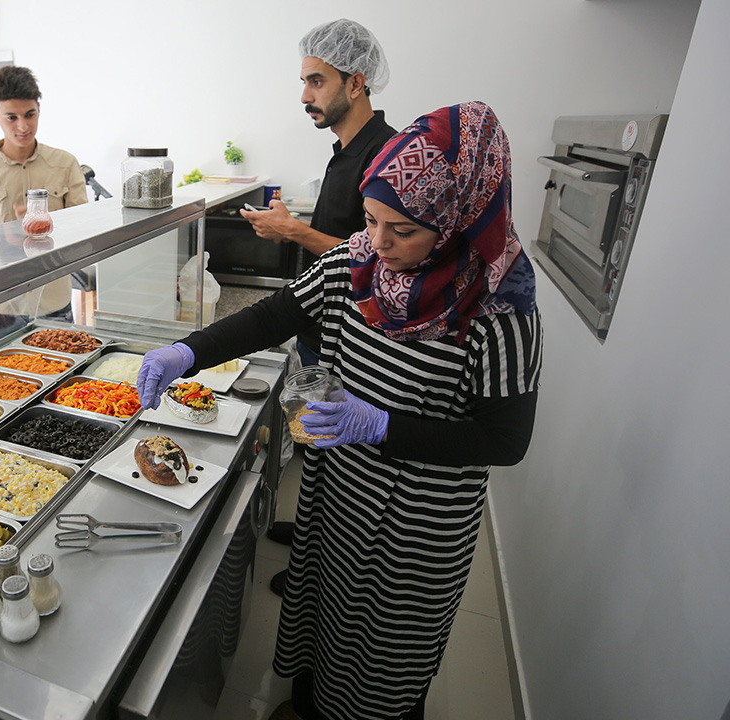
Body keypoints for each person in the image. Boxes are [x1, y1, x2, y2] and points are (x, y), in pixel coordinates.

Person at [137, 102, 541, 720]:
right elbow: (275, 315)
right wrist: (187, 350)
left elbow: (504, 440)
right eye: (372, 220)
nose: (378, 244)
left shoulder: (500, 303)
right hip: (340, 491)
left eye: (401, 230)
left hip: (416, 526)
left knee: (382, 656)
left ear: (457, 216)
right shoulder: (357, 263)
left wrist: (382, 424)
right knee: (324, 619)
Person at [246, 18, 400, 594]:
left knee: (338, 453)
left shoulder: (383, 154)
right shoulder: (344, 150)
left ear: (355, 83)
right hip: (320, 326)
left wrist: (295, 233)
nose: (305, 94)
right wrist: (291, 229)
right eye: (304, 80)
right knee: (313, 445)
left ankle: (321, 576)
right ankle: (309, 535)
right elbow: (341, 234)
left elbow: (378, 259)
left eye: (316, 80)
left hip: (352, 336)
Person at [0, 64, 87, 342]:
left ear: (39, 109)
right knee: (5, 382)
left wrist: (46, 227)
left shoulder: (65, 164)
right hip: (2, 305)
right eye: (11, 117)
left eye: (30, 115)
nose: (23, 126)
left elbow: (85, 229)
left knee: (63, 380)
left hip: (53, 300)